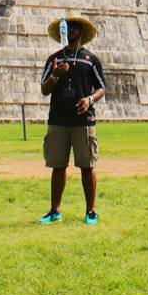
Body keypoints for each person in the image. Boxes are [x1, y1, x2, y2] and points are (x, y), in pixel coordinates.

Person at [37, 15, 106, 226]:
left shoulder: (90, 60)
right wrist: (56, 75)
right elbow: (44, 89)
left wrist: (90, 99)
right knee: (58, 166)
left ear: (81, 32)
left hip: (83, 121)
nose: (69, 31)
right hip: (58, 120)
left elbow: (102, 87)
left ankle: (91, 211)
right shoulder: (54, 59)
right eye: (66, 28)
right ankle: (55, 211)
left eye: (74, 27)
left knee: (87, 166)